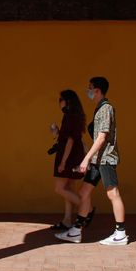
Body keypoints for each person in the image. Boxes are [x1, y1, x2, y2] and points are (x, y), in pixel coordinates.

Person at [56, 76, 127, 246]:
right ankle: (76, 231)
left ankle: (121, 233)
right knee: (84, 193)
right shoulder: (99, 108)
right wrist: (89, 157)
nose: (88, 91)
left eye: (90, 88)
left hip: (106, 159)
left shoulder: (105, 108)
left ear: (97, 90)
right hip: (97, 159)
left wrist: (85, 160)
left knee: (112, 193)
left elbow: (102, 137)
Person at [49, 89, 86, 230]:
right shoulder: (72, 116)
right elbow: (67, 138)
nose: (59, 102)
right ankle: (67, 221)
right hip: (73, 154)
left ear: (68, 101)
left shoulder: (70, 116)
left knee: (59, 188)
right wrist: (56, 133)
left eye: (61, 99)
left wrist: (63, 162)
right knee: (69, 188)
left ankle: (86, 209)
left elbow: (70, 141)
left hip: (68, 156)